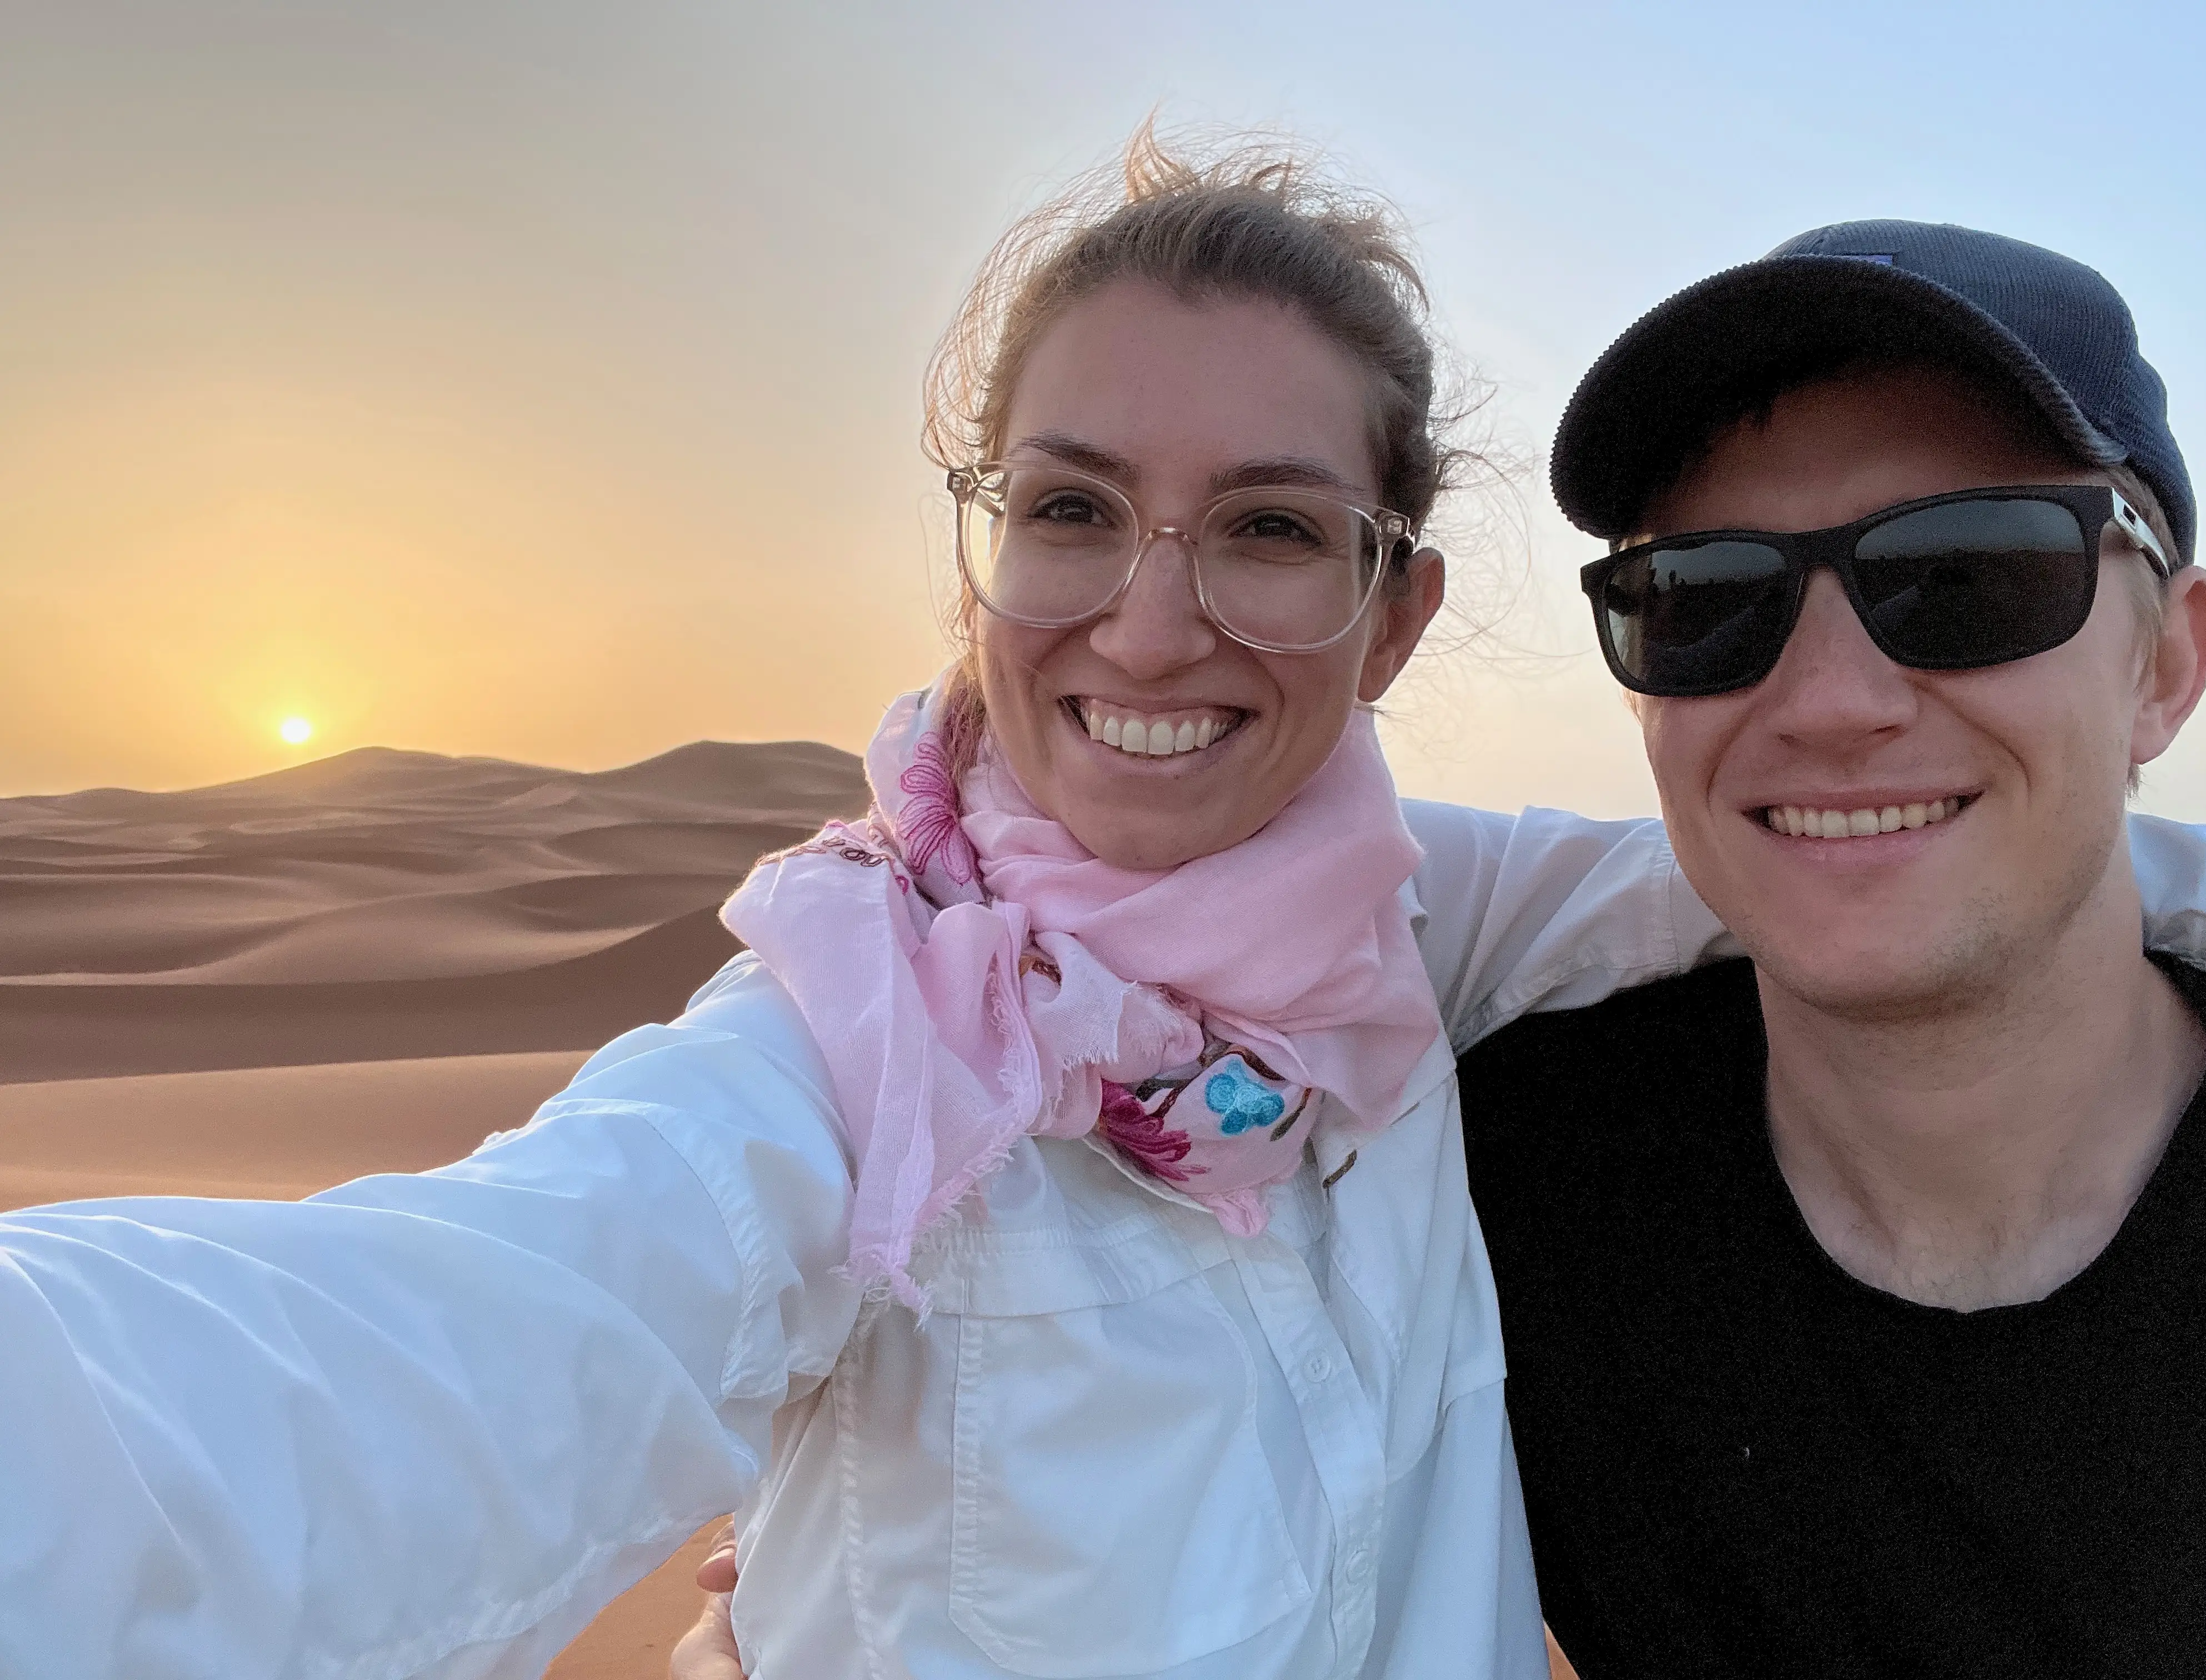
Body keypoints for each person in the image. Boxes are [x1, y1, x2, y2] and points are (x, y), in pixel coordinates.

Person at [0, 132, 1763, 1679]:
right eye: (1073, 507)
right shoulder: (860, 1046)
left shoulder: (1432, 918)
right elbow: (421, 1364)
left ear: (1393, 611)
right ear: (984, 551)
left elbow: (1794, 874)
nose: (1151, 627)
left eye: (1272, 528)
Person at [1462, 221, 2206, 1676]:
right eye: (1705, 597)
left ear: (2167, 667)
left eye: (1968, 572)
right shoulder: (1502, 1189)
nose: (1827, 700)